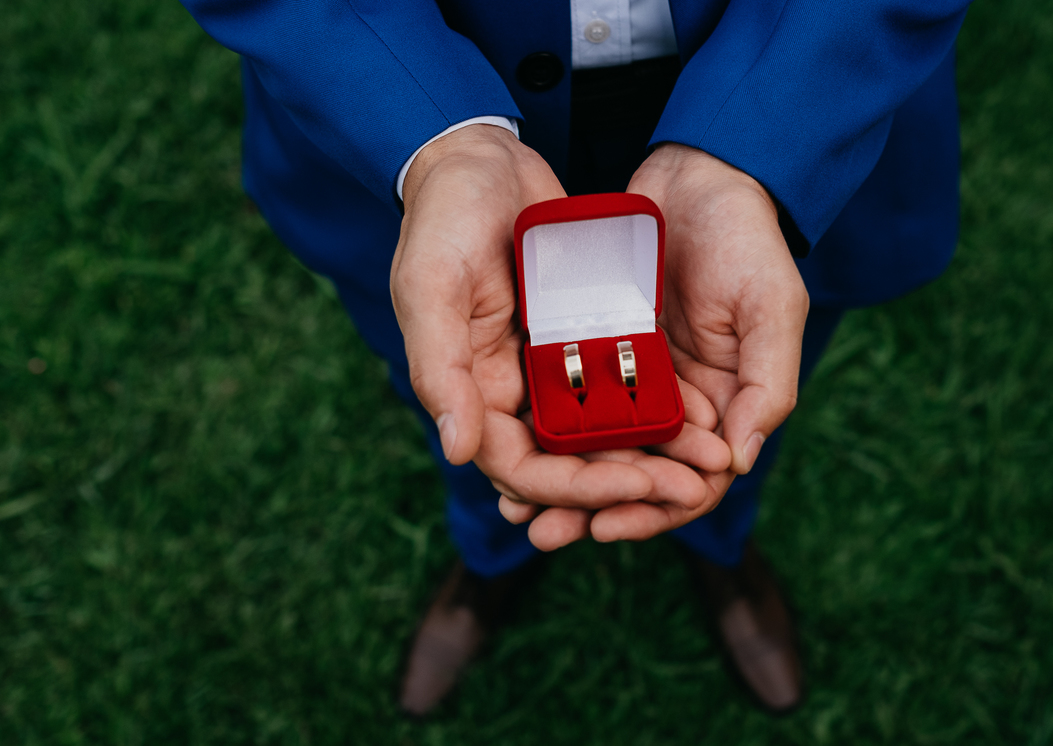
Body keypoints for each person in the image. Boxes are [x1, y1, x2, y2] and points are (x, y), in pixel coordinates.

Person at [181, 0, 971, 715]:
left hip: (791, 108)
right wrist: (439, 141)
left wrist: (753, 149)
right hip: (419, 110)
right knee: (460, 388)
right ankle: (488, 555)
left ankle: (720, 545)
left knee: (741, 384)